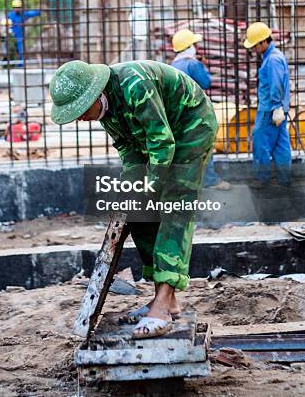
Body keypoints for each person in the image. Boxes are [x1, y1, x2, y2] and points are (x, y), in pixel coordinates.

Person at [49, 59, 218, 339]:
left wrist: (150, 185)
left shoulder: (135, 84)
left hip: (190, 129)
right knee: (138, 211)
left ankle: (162, 308)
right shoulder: (107, 110)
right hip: (161, 141)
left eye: (80, 110)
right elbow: (128, 149)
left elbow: (162, 142)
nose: (79, 118)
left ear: (94, 94)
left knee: (174, 209)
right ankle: (166, 301)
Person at [171, 28, 231, 191]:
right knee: (205, 144)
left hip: (178, 114)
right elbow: (205, 82)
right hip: (195, 113)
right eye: (195, 44)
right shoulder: (193, 63)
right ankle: (210, 180)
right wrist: (202, 66)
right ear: (190, 46)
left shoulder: (173, 64)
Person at [244, 21, 291, 187]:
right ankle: (284, 180)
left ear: (264, 41)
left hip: (270, 110)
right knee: (280, 145)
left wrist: (276, 106)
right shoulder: (274, 57)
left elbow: (276, 84)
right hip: (277, 109)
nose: (254, 49)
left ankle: (262, 179)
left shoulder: (272, 60)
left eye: (255, 45)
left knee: (260, 141)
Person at [7, 0, 41, 66]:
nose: (17, 9)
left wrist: (39, 11)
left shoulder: (23, 14)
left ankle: (21, 66)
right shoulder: (9, 15)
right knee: (10, 52)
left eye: (18, 7)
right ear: (13, 8)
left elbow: (31, 13)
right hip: (11, 37)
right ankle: (10, 65)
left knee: (21, 51)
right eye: (15, 7)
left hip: (20, 37)